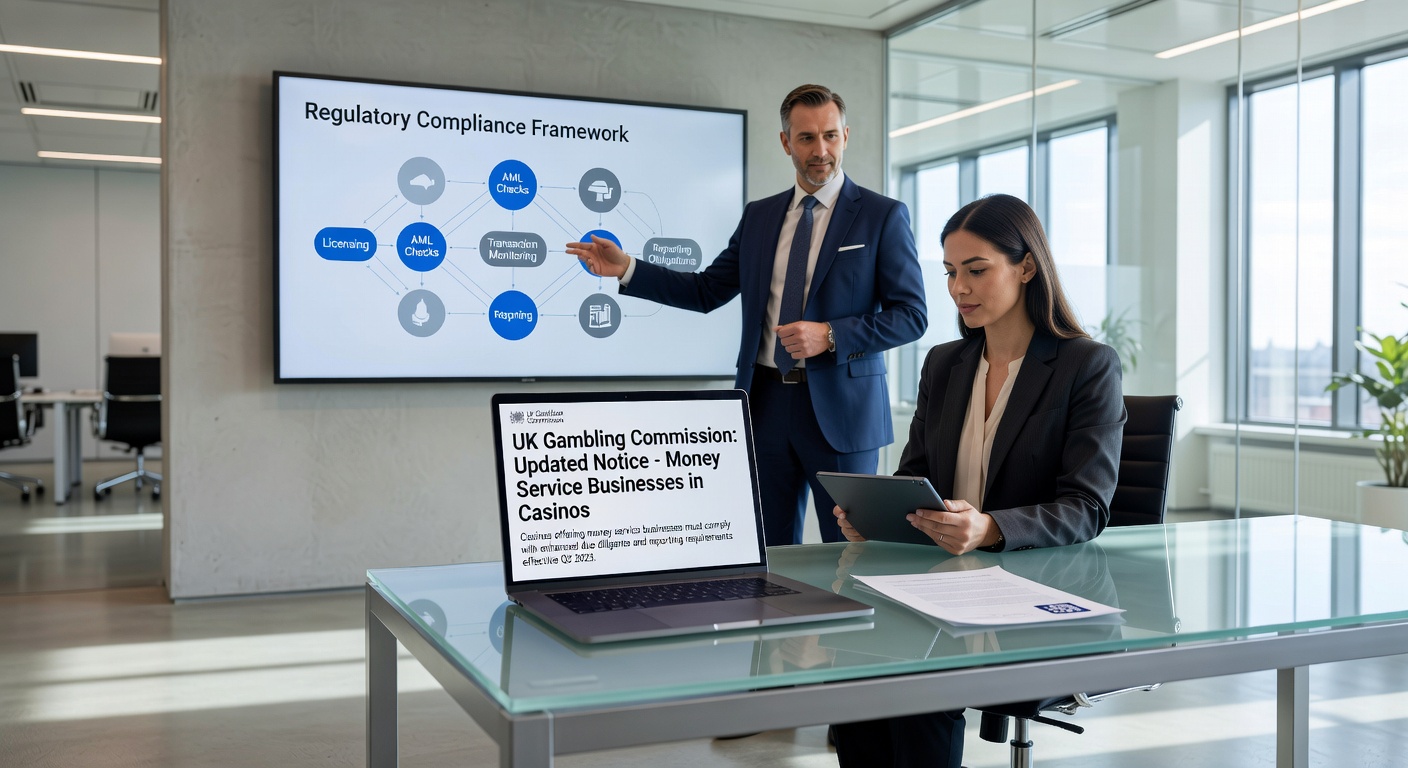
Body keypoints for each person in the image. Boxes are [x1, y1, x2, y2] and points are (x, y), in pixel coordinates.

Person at [829, 193, 1126, 768]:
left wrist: (989, 528)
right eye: (949, 272)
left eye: (976, 270)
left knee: (918, 681)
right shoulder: (945, 363)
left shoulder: (1086, 366)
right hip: (945, 582)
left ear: (1026, 267)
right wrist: (877, 513)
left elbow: (1086, 506)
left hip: (1035, 592)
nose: (958, 288)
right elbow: (916, 474)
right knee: (858, 655)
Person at [568, 84, 927, 546]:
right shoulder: (760, 216)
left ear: (846, 136)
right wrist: (628, 269)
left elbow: (912, 315)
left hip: (844, 413)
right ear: (785, 142)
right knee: (770, 549)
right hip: (764, 404)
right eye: (806, 138)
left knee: (852, 550)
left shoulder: (882, 215)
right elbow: (706, 291)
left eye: (831, 136)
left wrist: (830, 335)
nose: (821, 151)